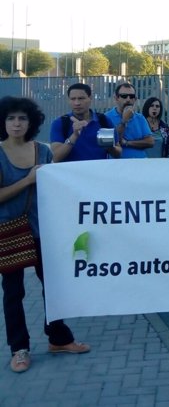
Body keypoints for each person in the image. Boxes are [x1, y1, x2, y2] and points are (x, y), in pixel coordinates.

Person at [0, 97, 90, 373]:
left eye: (22, 118)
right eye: (11, 118)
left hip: (43, 229)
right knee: (13, 291)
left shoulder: (43, 151)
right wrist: (27, 180)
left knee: (53, 286)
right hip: (8, 231)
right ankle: (19, 349)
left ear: (31, 122)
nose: (17, 124)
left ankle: (59, 338)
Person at [50, 83, 121, 162]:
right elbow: (56, 157)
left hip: (98, 172)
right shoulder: (60, 123)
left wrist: (110, 147)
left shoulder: (103, 120)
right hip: (70, 173)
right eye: (73, 99)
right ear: (68, 100)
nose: (77, 103)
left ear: (90, 98)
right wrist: (74, 135)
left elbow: (118, 153)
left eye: (81, 98)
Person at [105, 82, 154, 159]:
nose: (128, 99)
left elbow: (150, 142)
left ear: (135, 99)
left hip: (140, 163)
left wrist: (127, 143)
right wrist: (124, 120)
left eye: (131, 96)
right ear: (116, 98)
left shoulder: (140, 118)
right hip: (118, 165)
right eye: (124, 96)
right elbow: (112, 143)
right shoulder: (106, 117)